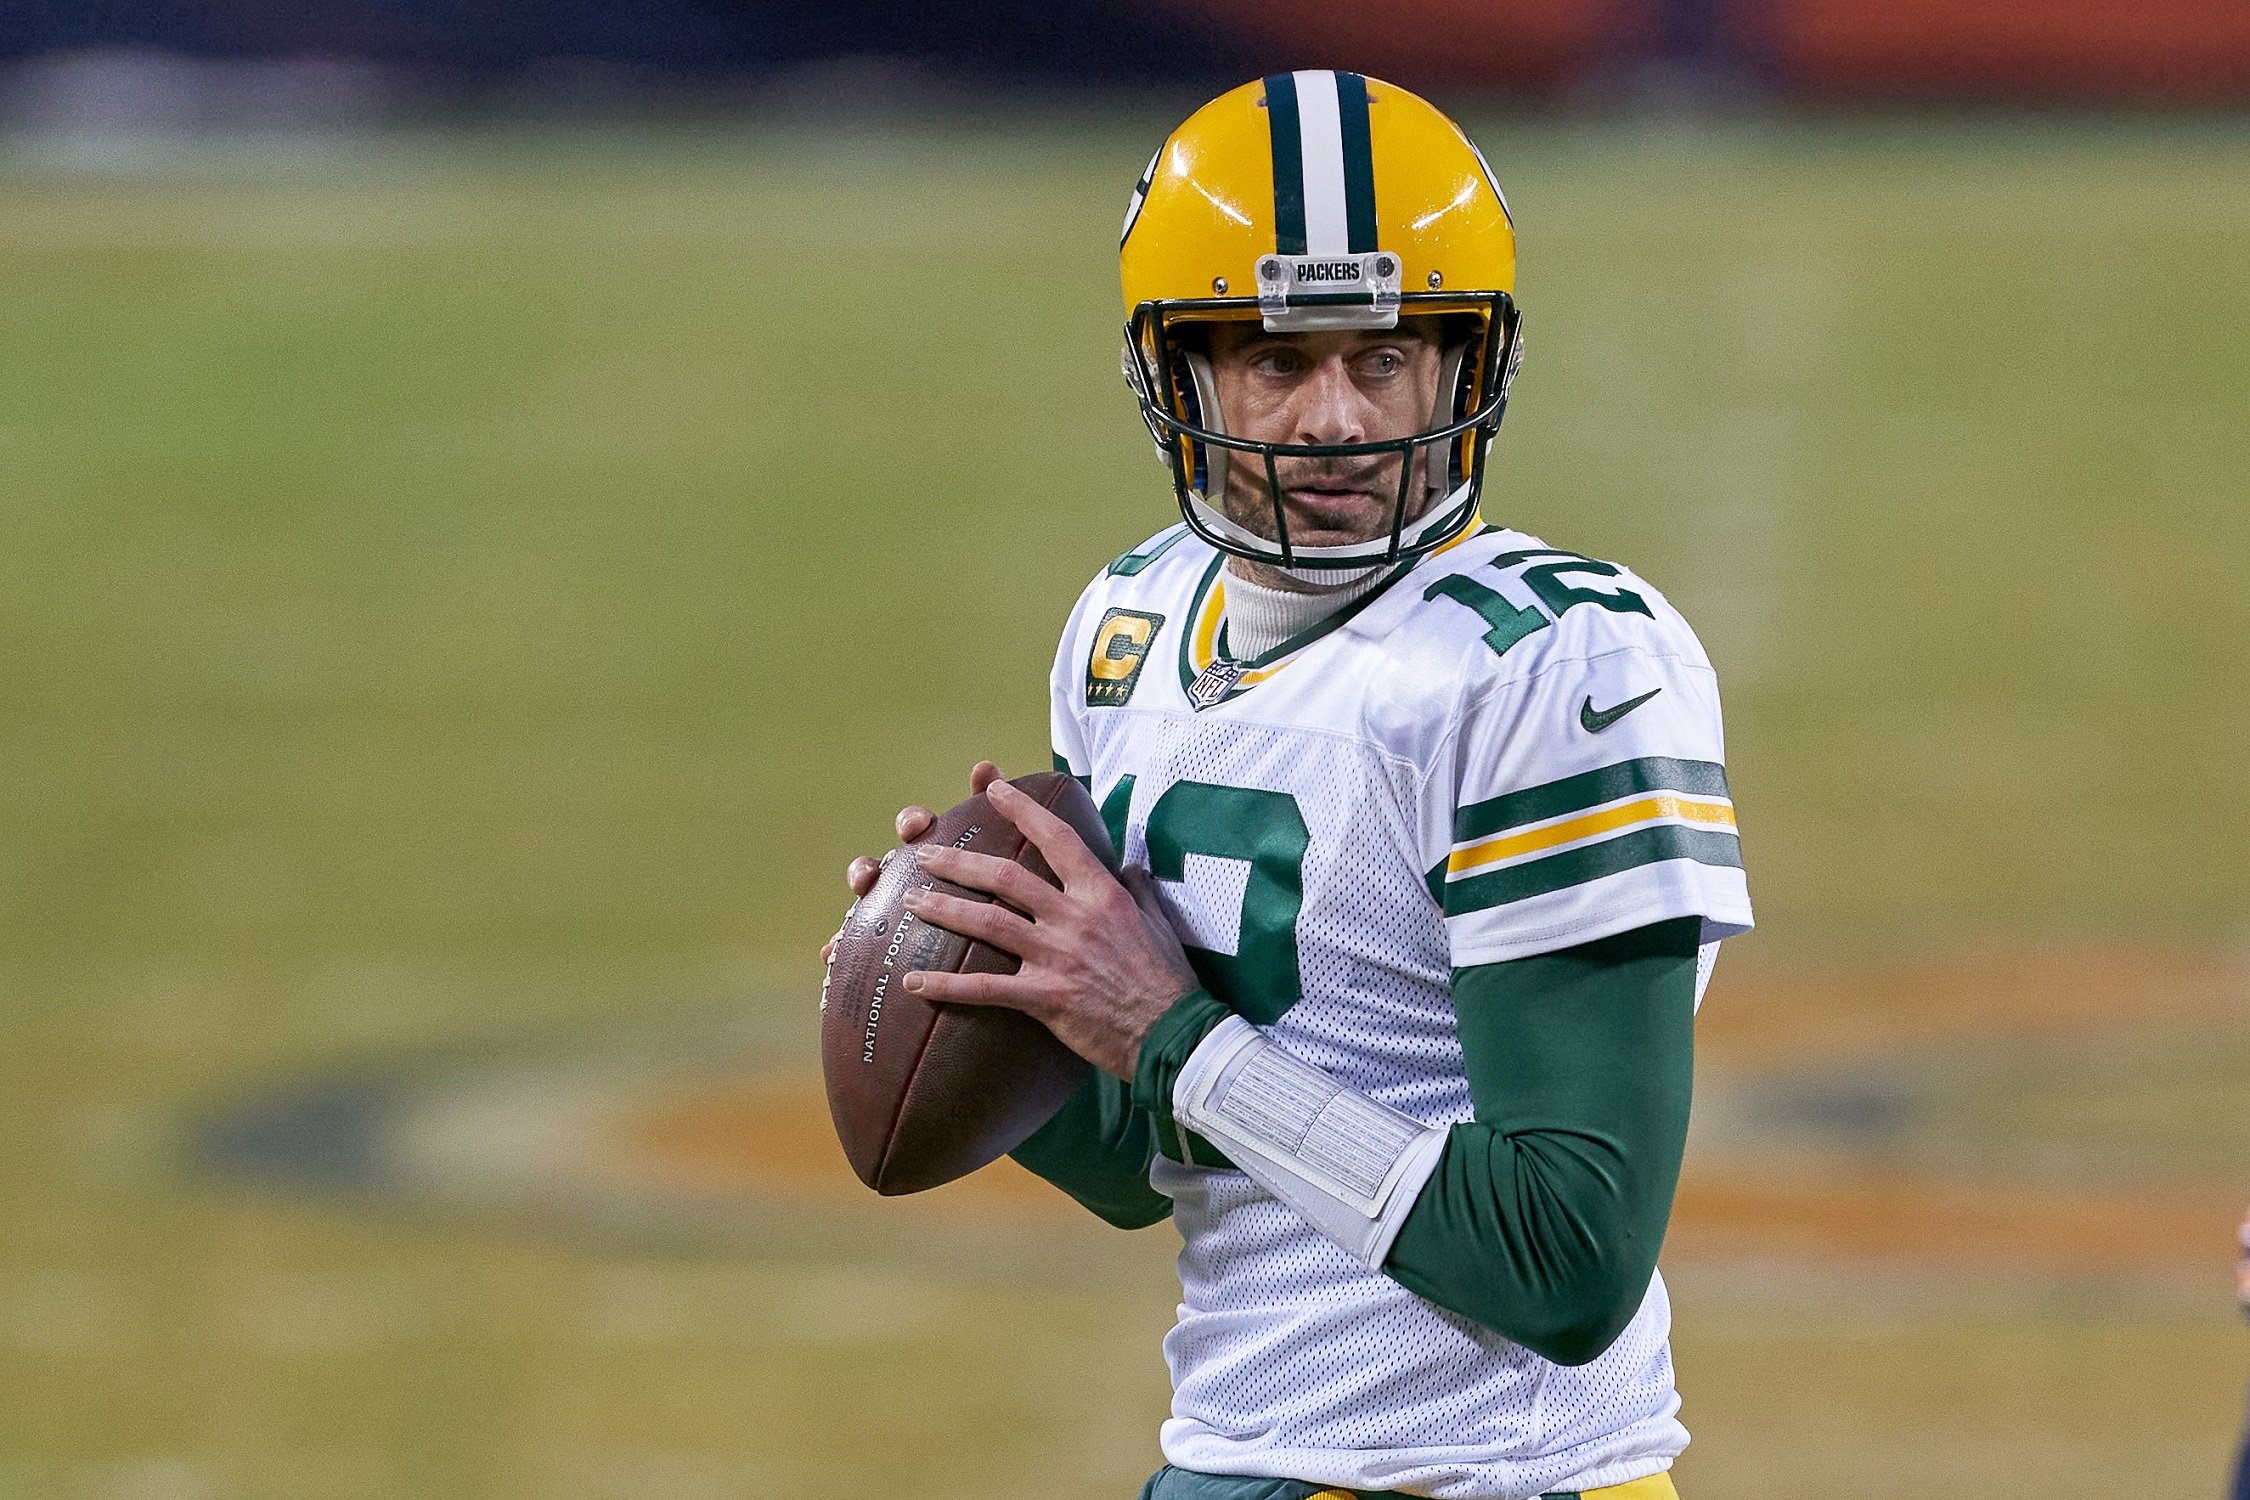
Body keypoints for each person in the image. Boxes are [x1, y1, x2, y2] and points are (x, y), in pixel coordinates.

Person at [828, 72, 1751, 1500]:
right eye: (1275, 357)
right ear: (1176, 371)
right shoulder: (1125, 624)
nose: (1333, 418)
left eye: (1381, 359)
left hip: (1486, 1477)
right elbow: (1154, 1171)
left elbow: (1568, 1258)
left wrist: (1171, 1031)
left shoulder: (1550, 666)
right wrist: (993, 996)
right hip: (1231, 1456)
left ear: (1460, 367)